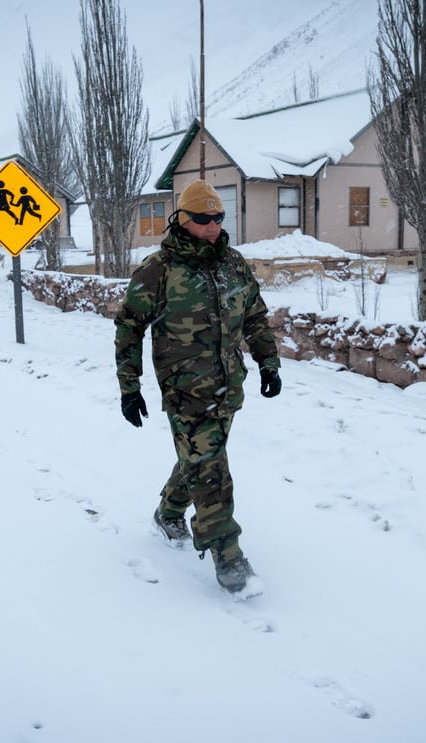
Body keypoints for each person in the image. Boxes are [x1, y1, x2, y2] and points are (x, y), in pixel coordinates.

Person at [114, 179, 282, 594]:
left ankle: (169, 512)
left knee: (200, 459)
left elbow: (256, 316)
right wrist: (129, 386)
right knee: (211, 472)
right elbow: (129, 327)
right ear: (183, 219)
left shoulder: (234, 264)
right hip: (184, 391)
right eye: (203, 218)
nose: (212, 225)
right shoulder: (160, 270)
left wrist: (269, 363)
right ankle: (229, 556)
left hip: (229, 386)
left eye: (218, 217)